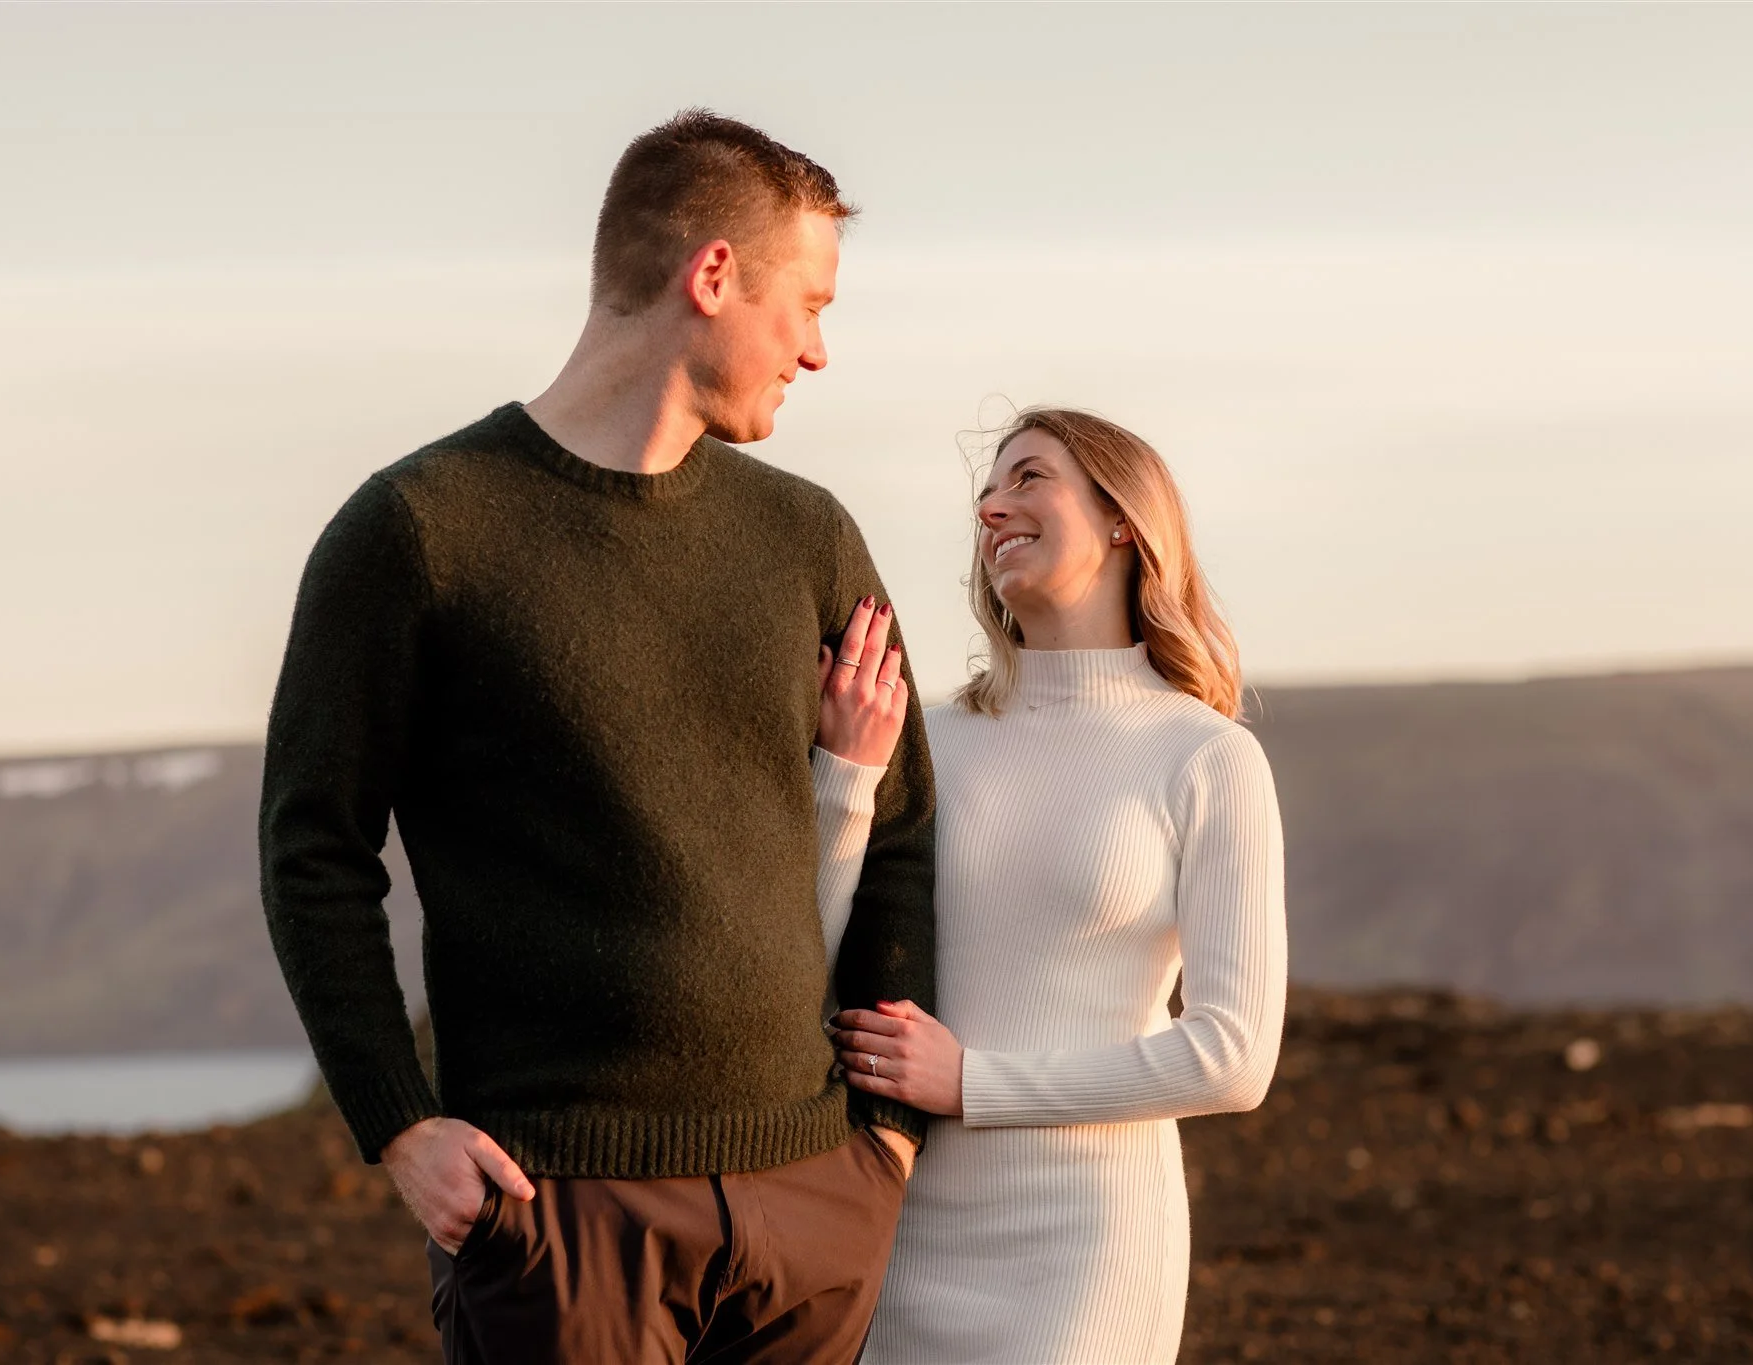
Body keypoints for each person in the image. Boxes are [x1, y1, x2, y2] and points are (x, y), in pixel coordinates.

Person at [257, 110, 936, 1364]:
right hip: (560, 1216)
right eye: (808, 304)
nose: (821, 351)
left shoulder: (807, 533)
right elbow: (313, 849)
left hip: (810, 1209)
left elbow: (897, 829)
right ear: (713, 276)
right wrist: (397, 1122)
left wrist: (880, 1142)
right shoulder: (416, 531)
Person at [812, 407, 1288, 1363]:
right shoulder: (928, 743)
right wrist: (847, 779)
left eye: (1029, 478)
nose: (992, 507)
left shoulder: (1206, 757)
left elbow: (1235, 1056)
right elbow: (809, 960)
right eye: (987, 492)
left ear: (1125, 518)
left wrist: (973, 1081)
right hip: (899, 1222)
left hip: (1087, 1250)